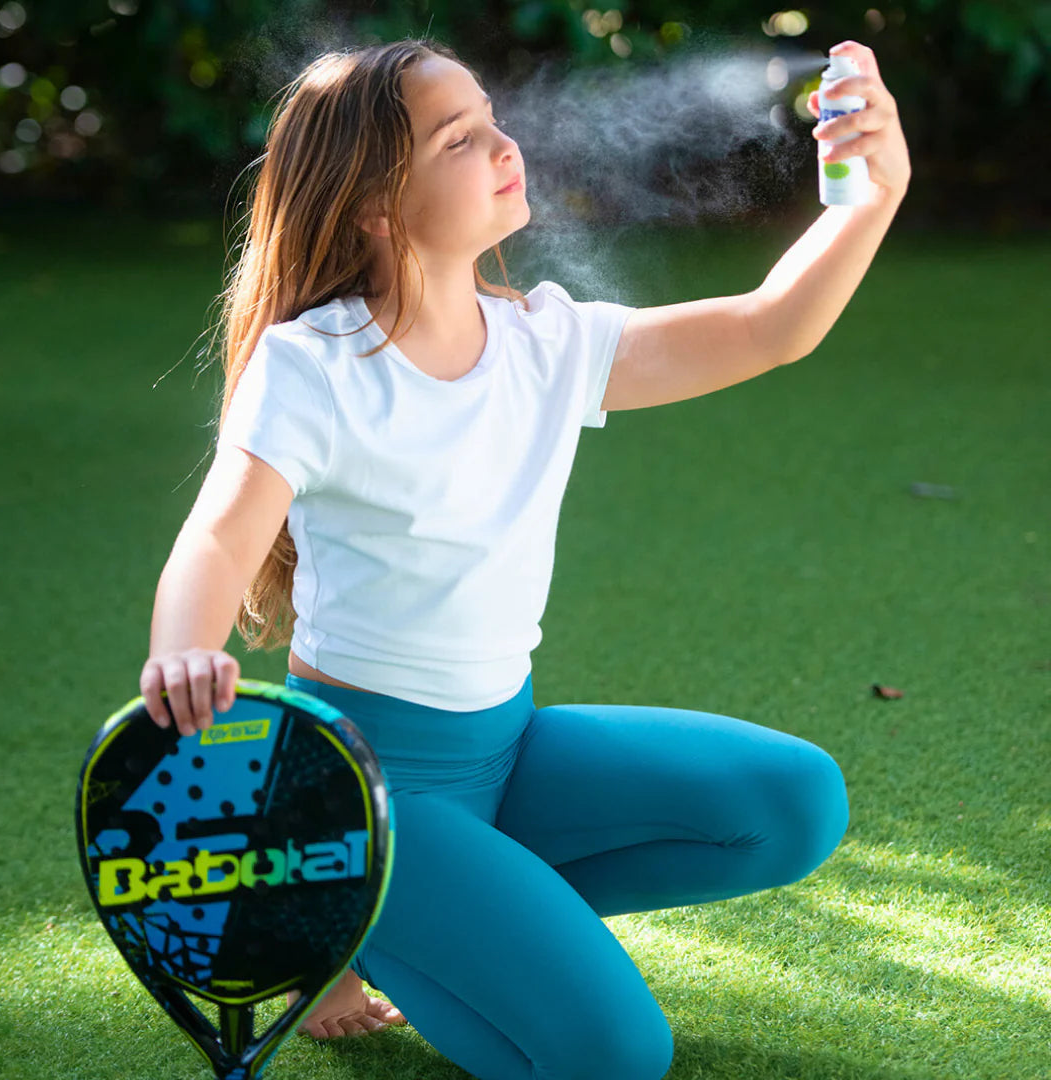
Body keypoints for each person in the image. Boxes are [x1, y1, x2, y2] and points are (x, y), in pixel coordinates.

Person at [141, 35, 910, 1080]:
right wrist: (183, 650)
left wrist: (867, 200)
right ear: (374, 203)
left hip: (507, 750)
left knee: (796, 805)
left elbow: (770, 328)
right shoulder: (313, 365)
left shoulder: (547, 344)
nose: (504, 144)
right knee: (617, 1056)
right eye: (461, 137)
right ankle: (334, 888)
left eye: (493, 118)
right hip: (370, 791)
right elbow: (221, 530)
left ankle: (372, 920)